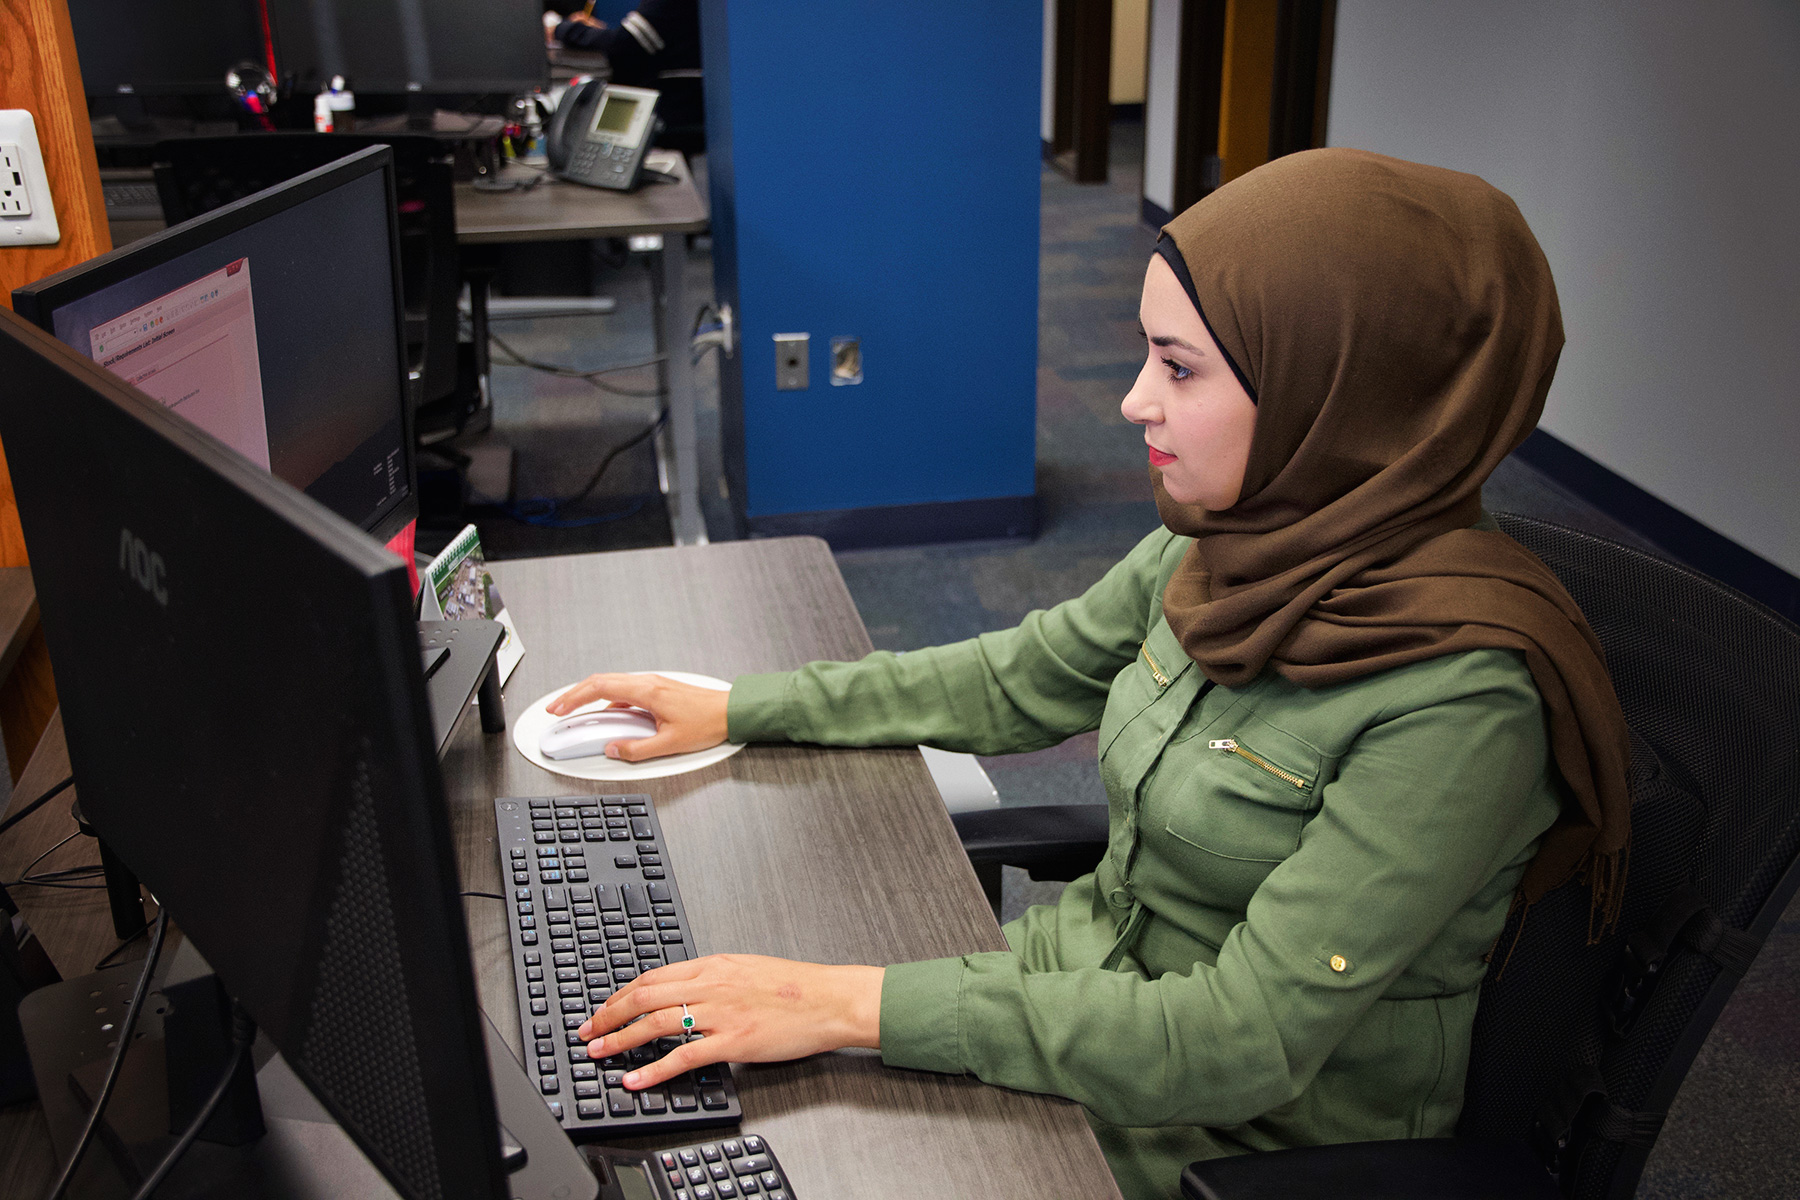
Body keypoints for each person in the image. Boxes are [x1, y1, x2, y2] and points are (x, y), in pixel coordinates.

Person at [544, 148, 1632, 1200]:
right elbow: (1020, 678)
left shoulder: (1463, 700)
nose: (1132, 403)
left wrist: (845, 1004)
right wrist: (745, 705)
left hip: (1233, 1138)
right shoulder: (1232, 539)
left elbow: (1240, 1042)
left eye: (1179, 368)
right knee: (704, 1118)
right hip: (1073, 998)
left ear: (1339, 395)